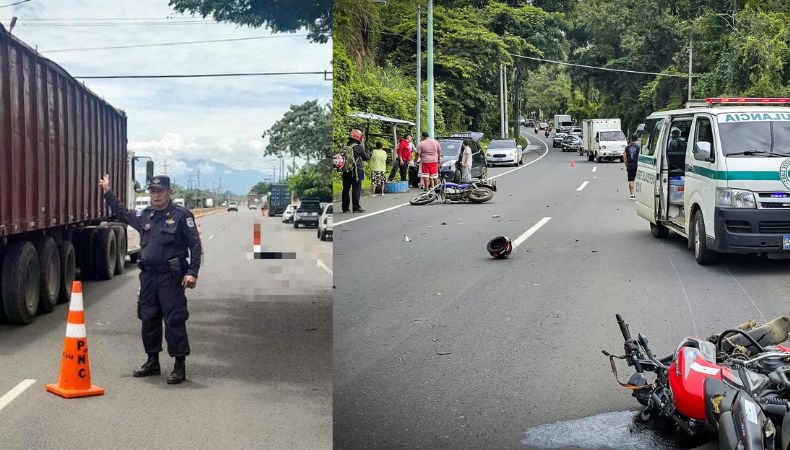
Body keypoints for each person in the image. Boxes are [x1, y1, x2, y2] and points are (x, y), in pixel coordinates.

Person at [98, 174, 201, 384]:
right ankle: (152, 361)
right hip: (148, 278)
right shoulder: (146, 215)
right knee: (148, 319)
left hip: (171, 278)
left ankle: (179, 365)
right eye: (152, 191)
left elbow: (195, 245)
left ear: (169, 192)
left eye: (160, 191)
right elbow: (122, 213)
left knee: (174, 320)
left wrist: (192, 272)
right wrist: (108, 192)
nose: (156, 195)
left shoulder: (181, 216)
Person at [341, 129, 370, 213]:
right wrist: (368, 153)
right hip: (356, 171)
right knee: (356, 189)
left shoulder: (345, 146)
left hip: (346, 170)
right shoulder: (359, 147)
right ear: (358, 137)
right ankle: (356, 207)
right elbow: (366, 158)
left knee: (345, 189)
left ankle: (345, 208)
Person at [623, 133, 640, 199]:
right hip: (636, 165)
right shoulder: (638, 147)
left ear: (631, 139)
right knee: (635, 179)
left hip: (630, 164)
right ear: (637, 139)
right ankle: (633, 194)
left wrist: (626, 164)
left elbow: (624, 156)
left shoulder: (627, 147)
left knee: (631, 180)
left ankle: (632, 194)